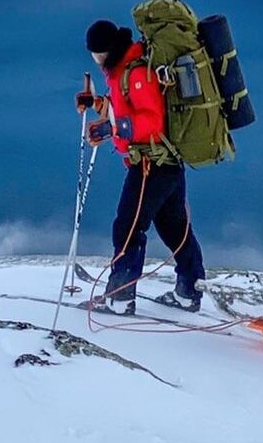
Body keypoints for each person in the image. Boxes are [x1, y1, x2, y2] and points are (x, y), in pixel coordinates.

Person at [76, 18, 206, 315]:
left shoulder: (135, 73)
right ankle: (189, 290)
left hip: (151, 166)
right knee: (173, 227)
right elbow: (123, 107)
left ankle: (120, 298)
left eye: (97, 55)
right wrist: (97, 103)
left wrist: (113, 130)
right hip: (165, 165)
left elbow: (151, 120)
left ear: (107, 51)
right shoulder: (125, 70)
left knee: (128, 228)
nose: (96, 61)